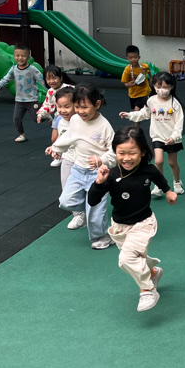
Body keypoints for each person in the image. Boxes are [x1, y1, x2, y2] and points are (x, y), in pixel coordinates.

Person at [88, 126, 177, 312]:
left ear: (142, 152)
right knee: (135, 258)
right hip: (119, 226)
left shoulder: (148, 170)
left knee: (126, 259)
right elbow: (92, 200)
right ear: (115, 152)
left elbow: (159, 179)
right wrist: (99, 182)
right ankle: (152, 272)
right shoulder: (111, 175)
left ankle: (148, 290)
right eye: (121, 153)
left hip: (144, 223)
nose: (126, 158)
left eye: (132, 153)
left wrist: (168, 191)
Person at [45, 84, 116, 249]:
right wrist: (57, 148)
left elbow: (114, 152)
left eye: (84, 107)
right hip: (78, 170)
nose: (80, 111)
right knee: (65, 201)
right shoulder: (75, 120)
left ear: (97, 104)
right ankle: (88, 211)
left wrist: (101, 160)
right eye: (77, 107)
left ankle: (102, 237)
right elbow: (69, 137)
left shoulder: (104, 126)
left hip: (98, 175)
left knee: (95, 211)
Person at [120, 71, 185, 195]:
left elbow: (179, 123)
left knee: (172, 163)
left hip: (172, 138)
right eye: (159, 86)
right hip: (157, 137)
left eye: (165, 87)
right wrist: (129, 115)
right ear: (154, 86)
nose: (161, 90)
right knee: (158, 161)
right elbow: (144, 114)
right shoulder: (151, 100)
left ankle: (177, 182)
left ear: (171, 87)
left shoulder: (174, 104)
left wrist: (174, 137)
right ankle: (159, 185)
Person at [0, 44, 45, 142]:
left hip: (32, 99)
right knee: (16, 119)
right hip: (19, 100)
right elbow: (6, 79)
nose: (20, 58)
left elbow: (41, 80)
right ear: (14, 56)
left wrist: (50, 90)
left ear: (28, 57)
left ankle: (47, 117)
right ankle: (22, 135)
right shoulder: (14, 69)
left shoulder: (32, 69)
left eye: (23, 56)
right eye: (17, 55)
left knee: (36, 119)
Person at [49, 87, 82, 228]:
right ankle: (78, 215)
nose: (63, 110)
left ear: (76, 105)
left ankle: (88, 212)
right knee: (66, 188)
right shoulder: (60, 121)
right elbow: (61, 138)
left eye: (67, 107)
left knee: (87, 189)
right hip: (68, 158)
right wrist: (56, 149)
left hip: (82, 160)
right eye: (59, 106)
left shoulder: (81, 120)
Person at [121, 45, 152, 110]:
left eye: (135, 57)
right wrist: (128, 85)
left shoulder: (144, 66)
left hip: (144, 92)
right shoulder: (127, 69)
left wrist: (151, 78)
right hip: (133, 94)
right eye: (131, 58)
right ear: (127, 58)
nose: (133, 59)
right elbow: (125, 82)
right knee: (134, 112)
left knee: (137, 109)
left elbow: (148, 71)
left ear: (139, 57)